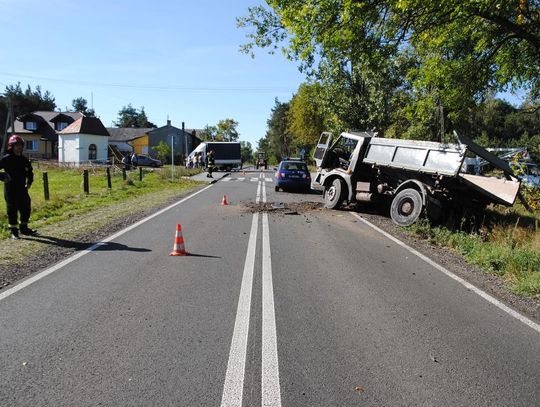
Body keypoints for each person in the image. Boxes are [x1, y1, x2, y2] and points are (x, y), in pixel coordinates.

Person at [0, 135, 37, 239]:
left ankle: (24, 228)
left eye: (20, 145)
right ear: (11, 146)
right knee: (12, 210)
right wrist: (2, 176)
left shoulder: (24, 160)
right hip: (10, 189)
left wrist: (29, 182)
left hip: (22, 188)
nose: (18, 147)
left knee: (26, 208)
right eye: (16, 145)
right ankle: (14, 232)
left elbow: (30, 172)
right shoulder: (6, 159)